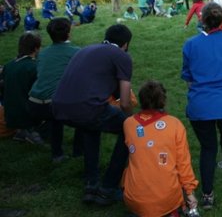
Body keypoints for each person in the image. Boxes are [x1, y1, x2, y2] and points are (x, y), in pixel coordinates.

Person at [52, 24, 134, 205]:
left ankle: (91, 184)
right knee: (130, 130)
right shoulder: (122, 56)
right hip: (87, 107)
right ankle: (109, 187)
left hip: (59, 107)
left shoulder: (85, 49)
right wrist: (133, 120)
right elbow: (126, 101)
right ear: (126, 44)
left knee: (91, 126)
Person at [181, 2, 222, 209]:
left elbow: (189, 80)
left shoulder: (190, 45)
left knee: (208, 148)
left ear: (201, 20)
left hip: (200, 106)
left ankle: (208, 195)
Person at [122, 80, 199, 217]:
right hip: (166, 199)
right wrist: (189, 193)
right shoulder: (175, 124)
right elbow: (183, 163)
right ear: (163, 100)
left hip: (133, 198)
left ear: (141, 100)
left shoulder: (128, 124)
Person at [28, 18, 82, 161]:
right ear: (69, 33)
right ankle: (77, 152)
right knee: (84, 116)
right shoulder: (76, 52)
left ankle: (43, 136)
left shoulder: (43, 53)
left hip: (33, 102)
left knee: (55, 115)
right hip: (53, 105)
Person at [0, 32, 43, 144]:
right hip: (26, 115)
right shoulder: (34, 67)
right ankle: (32, 131)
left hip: (9, 113)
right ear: (36, 48)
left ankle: (22, 131)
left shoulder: (9, 65)